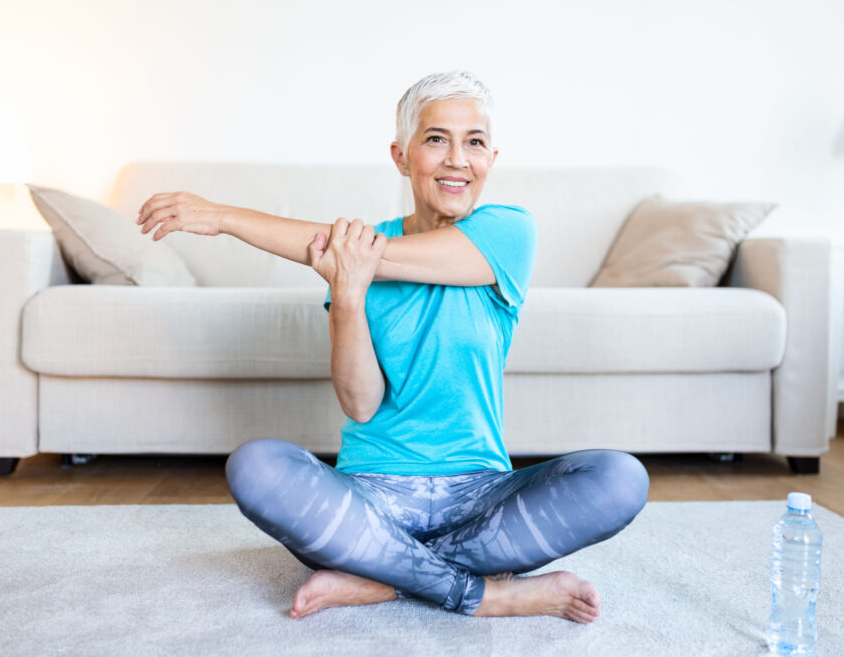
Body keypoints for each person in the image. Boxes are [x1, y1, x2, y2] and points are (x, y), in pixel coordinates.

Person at [135, 70, 649, 623]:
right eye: (436, 139)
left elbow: (359, 252)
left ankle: (381, 578)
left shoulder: (507, 232)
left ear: (491, 159)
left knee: (621, 477)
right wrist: (349, 298)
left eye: (473, 142)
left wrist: (224, 217)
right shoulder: (354, 258)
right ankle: (483, 593)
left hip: (480, 497)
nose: (457, 158)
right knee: (256, 465)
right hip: (371, 499)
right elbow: (361, 404)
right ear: (401, 156)